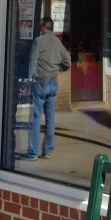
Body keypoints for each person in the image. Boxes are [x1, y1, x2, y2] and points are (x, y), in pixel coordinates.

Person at [27, 17, 70, 160]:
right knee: (50, 118)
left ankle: (33, 152)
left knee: (36, 118)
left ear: (44, 27)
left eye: (41, 27)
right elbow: (67, 62)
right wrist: (58, 68)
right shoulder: (58, 43)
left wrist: (29, 81)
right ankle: (48, 151)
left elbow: (33, 63)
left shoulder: (38, 42)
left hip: (39, 82)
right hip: (53, 83)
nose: (40, 29)